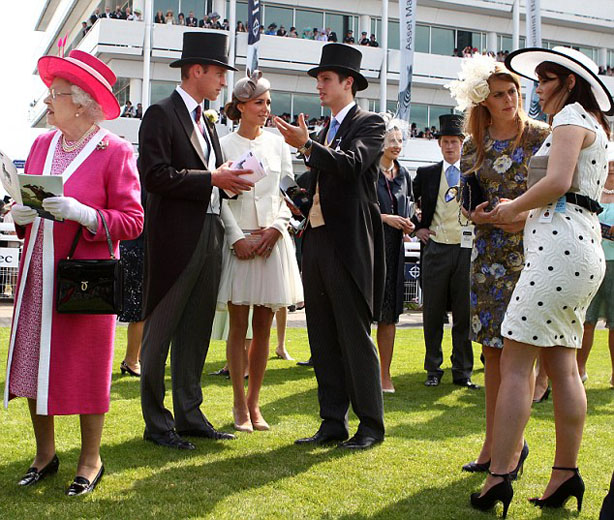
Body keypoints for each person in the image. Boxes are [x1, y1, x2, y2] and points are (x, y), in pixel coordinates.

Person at [470, 46, 613, 517]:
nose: (537, 91)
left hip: (559, 252)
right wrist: (517, 218)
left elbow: (557, 182)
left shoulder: (571, 117)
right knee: (563, 365)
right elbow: (567, 195)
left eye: (545, 81)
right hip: (576, 246)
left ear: (569, 82)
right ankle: (564, 475)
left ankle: (500, 474)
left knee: (515, 364)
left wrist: (512, 208)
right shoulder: (591, 122)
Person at [3, 50, 143, 496]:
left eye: (55, 94)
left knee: (86, 367)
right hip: (37, 273)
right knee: (31, 365)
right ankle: (45, 456)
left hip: (86, 278)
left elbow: (133, 221)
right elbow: (32, 201)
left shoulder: (115, 151)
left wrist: (85, 213)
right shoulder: (42, 144)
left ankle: (90, 459)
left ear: (81, 102)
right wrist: (19, 217)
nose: (47, 101)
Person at [138, 32, 253, 450]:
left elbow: (204, 179)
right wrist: (212, 178)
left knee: (197, 329)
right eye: (220, 72)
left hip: (210, 232)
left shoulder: (205, 121)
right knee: (161, 331)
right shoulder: (160, 114)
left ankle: (189, 414)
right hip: (173, 238)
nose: (224, 80)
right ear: (196, 71)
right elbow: (153, 177)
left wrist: (226, 183)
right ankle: (157, 421)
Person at [274, 43, 386, 450]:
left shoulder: (371, 123)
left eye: (325, 79)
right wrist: (297, 194)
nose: (319, 86)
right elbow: (324, 179)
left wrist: (306, 147)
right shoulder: (322, 131)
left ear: (347, 83)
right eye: (318, 79)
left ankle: (371, 425)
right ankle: (332, 422)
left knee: (354, 334)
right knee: (321, 332)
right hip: (317, 239)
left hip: (349, 242)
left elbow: (352, 164)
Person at [446, 56, 550, 478]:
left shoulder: (541, 137)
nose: (509, 100)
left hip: (531, 252)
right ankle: (493, 443)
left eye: (513, 92)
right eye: (498, 95)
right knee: (492, 353)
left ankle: (513, 446)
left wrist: (519, 215)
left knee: (518, 355)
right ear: (482, 103)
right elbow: (468, 203)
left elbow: (557, 194)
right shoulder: (474, 144)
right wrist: (478, 215)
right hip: (488, 254)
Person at [219, 71, 303, 432]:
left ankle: (255, 404)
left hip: (272, 242)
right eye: (259, 103)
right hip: (238, 242)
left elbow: (289, 194)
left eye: (268, 102)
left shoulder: (279, 145)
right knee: (238, 327)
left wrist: (277, 228)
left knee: (264, 328)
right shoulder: (223, 145)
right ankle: (238, 403)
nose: (266, 109)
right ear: (240, 107)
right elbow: (218, 198)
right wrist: (237, 237)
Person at [411, 114, 477, 389]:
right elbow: (411, 205)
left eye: (454, 142)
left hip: (466, 248)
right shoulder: (425, 175)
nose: (450, 146)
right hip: (436, 248)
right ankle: (433, 368)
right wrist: (417, 228)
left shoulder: (474, 175)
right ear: (438, 144)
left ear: (462, 144)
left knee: (464, 313)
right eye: (445, 142)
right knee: (433, 313)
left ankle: (462, 370)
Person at [376, 117, 414, 393]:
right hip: (370, 248)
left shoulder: (405, 175)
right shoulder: (368, 172)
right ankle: (360, 373)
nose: (397, 145)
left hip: (395, 250)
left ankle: (384, 375)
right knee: (366, 313)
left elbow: (409, 207)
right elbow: (359, 209)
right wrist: (385, 218)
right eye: (392, 140)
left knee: (389, 315)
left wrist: (408, 223)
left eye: (400, 140)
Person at [578, 144, 614, 387]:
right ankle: (579, 370)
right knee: (586, 321)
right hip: (590, 263)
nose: (611, 171)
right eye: (609, 167)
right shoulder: (591, 193)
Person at [118, 189, 147, 378]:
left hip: (134, 246)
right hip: (137, 248)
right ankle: (131, 360)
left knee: (142, 309)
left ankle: (134, 358)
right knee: (140, 309)